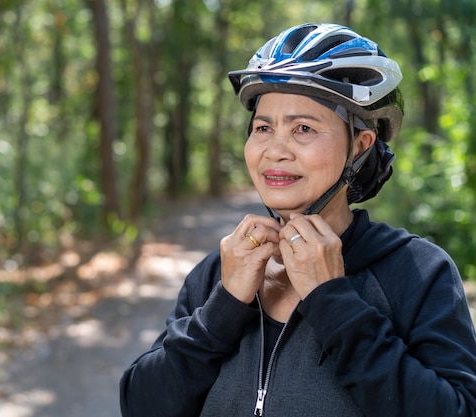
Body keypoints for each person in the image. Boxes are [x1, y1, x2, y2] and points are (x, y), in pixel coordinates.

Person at [119, 23, 476, 417]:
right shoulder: (216, 274)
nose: (275, 150)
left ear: (359, 146)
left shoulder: (417, 273)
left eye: (303, 128)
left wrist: (334, 303)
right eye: (263, 128)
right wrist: (222, 308)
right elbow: (141, 405)